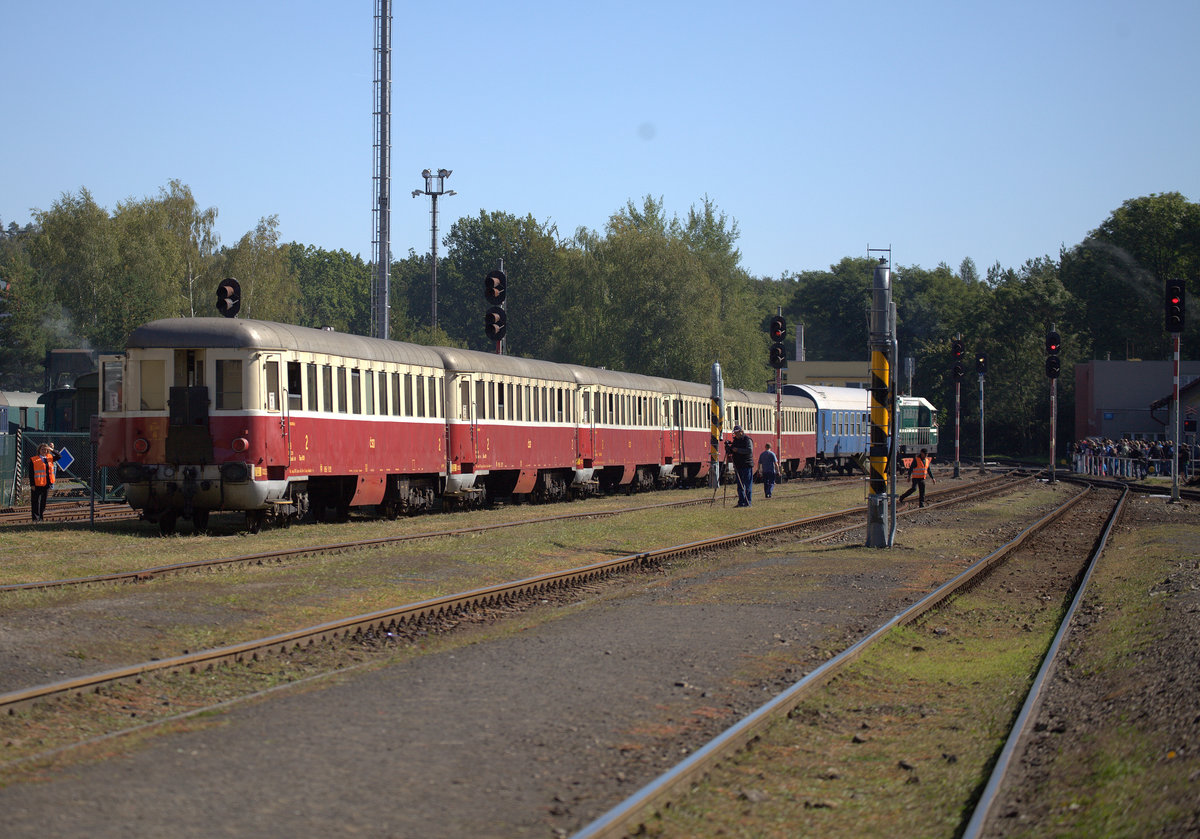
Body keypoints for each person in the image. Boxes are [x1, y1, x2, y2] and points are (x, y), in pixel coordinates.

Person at [29, 442, 58, 522]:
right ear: (39, 450)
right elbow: (31, 473)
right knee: (36, 502)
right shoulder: (33, 460)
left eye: (45, 450)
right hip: (37, 484)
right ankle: (35, 518)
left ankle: (41, 518)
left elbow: (59, 456)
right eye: (42, 449)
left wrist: (51, 449)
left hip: (47, 484)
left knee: (43, 502)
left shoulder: (50, 458)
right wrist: (32, 484)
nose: (44, 451)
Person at [726, 425, 755, 507]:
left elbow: (749, 450)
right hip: (738, 465)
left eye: (737, 433)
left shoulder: (747, 440)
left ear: (741, 432)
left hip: (746, 464)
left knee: (747, 485)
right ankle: (741, 502)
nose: (736, 435)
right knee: (740, 485)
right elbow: (731, 451)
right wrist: (728, 449)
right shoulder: (735, 441)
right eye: (735, 433)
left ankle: (748, 502)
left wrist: (738, 450)